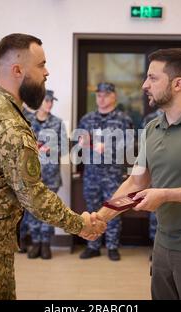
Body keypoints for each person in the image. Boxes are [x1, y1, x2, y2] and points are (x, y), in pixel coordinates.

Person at [0, 33, 106, 300]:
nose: (47, 72)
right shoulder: (10, 125)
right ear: (17, 70)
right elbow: (33, 195)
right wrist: (80, 224)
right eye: (41, 65)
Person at [97, 48, 181, 300]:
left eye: (152, 78)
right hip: (163, 245)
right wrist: (102, 217)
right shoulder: (152, 127)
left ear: (177, 83)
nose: (144, 85)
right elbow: (137, 181)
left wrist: (165, 194)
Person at [78, 82, 133, 261]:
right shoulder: (87, 119)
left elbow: (129, 146)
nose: (101, 98)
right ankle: (93, 246)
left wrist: (107, 147)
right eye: (98, 95)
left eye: (105, 95)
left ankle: (112, 246)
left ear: (114, 96)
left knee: (113, 210)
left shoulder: (123, 119)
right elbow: (80, 144)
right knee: (92, 210)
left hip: (112, 174)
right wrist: (84, 144)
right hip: (91, 174)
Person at [26, 90, 68, 259]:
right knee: (33, 209)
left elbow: (65, 148)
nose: (49, 104)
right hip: (30, 174)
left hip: (51, 174)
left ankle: (45, 244)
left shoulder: (57, 123)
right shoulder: (27, 121)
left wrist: (52, 148)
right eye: (46, 100)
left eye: (52, 101)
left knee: (48, 210)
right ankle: (35, 243)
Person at [141, 108, 164, 254]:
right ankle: (156, 248)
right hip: (155, 173)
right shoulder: (150, 121)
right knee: (155, 212)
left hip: (177, 176)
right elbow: (143, 145)